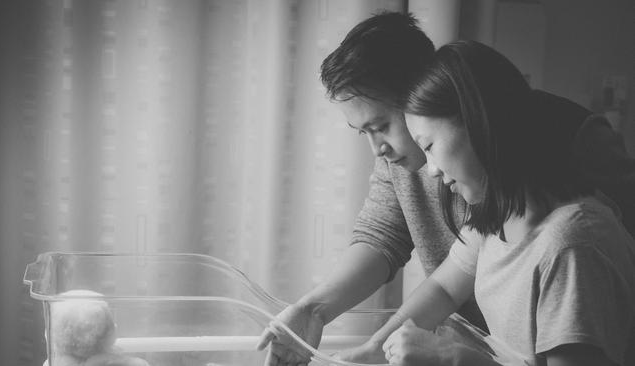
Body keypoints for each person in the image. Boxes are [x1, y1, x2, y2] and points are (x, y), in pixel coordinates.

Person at [256, 11, 635, 366]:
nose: (379, 150)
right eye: (364, 133)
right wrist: (332, 322)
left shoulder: (568, 232)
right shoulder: (492, 212)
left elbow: (596, 277)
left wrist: (456, 358)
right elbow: (418, 264)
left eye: (381, 126)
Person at [374, 40, 635, 366]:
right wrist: (373, 350)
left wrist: (454, 357)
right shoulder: (496, 215)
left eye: (429, 146)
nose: (432, 170)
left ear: (479, 123)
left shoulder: (571, 245)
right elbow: (442, 288)